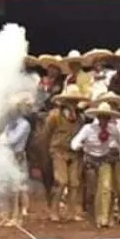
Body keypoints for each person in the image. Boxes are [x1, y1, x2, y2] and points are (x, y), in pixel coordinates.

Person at [70, 101, 120, 229]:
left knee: (106, 188)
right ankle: (94, 216)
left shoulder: (113, 130)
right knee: (93, 191)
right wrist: (82, 145)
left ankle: (104, 218)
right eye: (102, 117)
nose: (104, 120)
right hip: (90, 161)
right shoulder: (88, 129)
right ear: (97, 117)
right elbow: (74, 144)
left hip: (105, 160)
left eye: (107, 117)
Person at [41, 86, 87, 222]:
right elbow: (45, 135)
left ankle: (71, 212)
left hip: (75, 153)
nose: (73, 104)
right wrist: (46, 154)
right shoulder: (54, 116)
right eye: (70, 101)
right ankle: (53, 210)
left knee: (74, 183)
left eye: (75, 101)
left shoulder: (80, 118)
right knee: (61, 181)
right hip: (58, 151)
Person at [0, 97, 33, 227]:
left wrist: (3, 139)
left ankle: (17, 217)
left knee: (16, 188)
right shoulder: (10, 124)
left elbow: (11, 140)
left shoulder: (24, 124)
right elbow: (4, 139)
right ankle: (7, 215)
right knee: (6, 188)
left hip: (17, 157)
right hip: (8, 156)